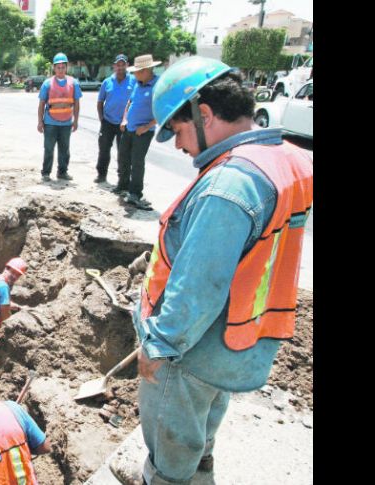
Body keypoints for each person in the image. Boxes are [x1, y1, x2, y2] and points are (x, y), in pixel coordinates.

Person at [118, 56, 313, 485]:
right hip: (238, 338)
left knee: (172, 447)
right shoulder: (287, 159)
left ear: (204, 114)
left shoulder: (230, 184)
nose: (176, 144)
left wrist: (159, 345)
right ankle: (197, 472)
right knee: (201, 432)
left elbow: (198, 286)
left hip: (191, 349)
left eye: (178, 130)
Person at [114, 54, 161, 209]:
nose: (133, 74)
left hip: (143, 132)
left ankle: (135, 194)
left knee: (137, 162)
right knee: (123, 157)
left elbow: (163, 111)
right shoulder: (138, 83)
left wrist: (147, 126)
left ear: (146, 70)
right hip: (129, 128)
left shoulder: (157, 86)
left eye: (136, 71)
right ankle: (123, 186)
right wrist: (124, 119)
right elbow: (130, 102)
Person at [37, 52, 82, 182]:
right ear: (54, 68)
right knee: (49, 149)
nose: (61, 70)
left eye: (63, 67)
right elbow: (41, 104)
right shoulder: (47, 83)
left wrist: (76, 121)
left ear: (66, 67)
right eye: (58, 67)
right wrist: (40, 122)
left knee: (64, 150)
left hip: (66, 123)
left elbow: (77, 103)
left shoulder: (73, 83)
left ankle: (62, 172)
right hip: (50, 122)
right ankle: (46, 173)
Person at [95, 54, 135, 184]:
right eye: (118, 64)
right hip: (108, 122)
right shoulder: (107, 82)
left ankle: (123, 180)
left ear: (127, 65)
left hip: (125, 124)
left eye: (123, 64)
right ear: (114, 66)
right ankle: (101, 175)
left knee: (123, 153)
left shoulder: (133, 81)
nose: (120, 67)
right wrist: (102, 119)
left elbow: (135, 101)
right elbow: (100, 102)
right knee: (104, 150)